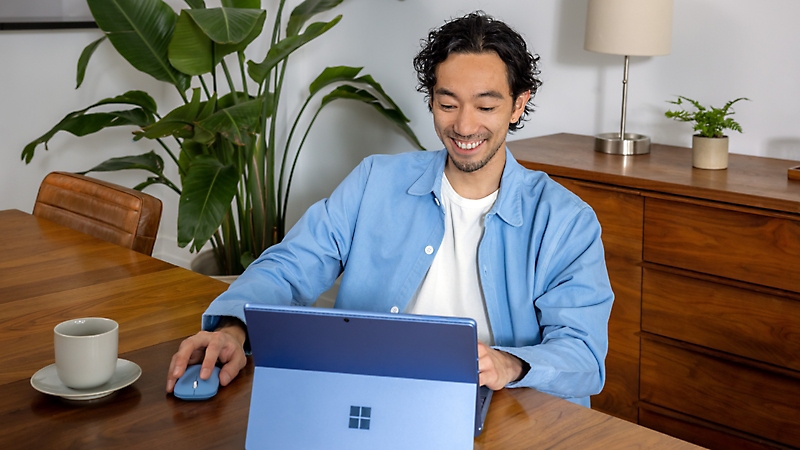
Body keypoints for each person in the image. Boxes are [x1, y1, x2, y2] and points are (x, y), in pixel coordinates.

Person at [167, 11, 613, 407]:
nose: (464, 125)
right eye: (447, 103)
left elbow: (583, 354)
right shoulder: (374, 181)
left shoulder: (565, 221)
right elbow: (291, 265)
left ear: (518, 104)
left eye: (486, 105)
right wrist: (232, 327)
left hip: (504, 411)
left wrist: (509, 364)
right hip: (374, 400)